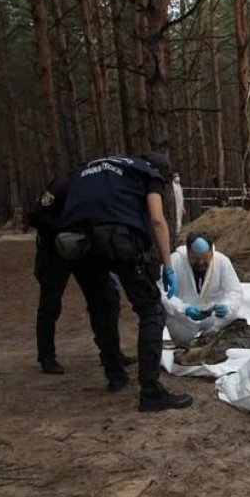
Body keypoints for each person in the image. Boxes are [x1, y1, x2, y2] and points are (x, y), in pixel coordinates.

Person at [60, 153, 193, 412]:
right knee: (151, 311)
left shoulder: (86, 168)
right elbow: (156, 218)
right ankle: (151, 392)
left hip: (76, 244)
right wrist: (168, 265)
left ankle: (114, 373)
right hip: (119, 240)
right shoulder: (147, 172)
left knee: (102, 305)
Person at [28, 173, 129, 375]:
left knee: (105, 299)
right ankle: (46, 356)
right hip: (54, 252)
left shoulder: (104, 190)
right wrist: (66, 229)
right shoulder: (63, 185)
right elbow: (36, 215)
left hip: (85, 251)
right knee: (50, 304)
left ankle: (111, 352)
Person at [163, 232, 243, 347]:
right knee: (182, 337)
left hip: (213, 317)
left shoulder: (222, 261)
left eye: (205, 258)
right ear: (188, 252)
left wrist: (227, 306)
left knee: (236, 316)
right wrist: (184, 309)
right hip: (184, 319)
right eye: (195, 258)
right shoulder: (175, 261)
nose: (200, 262)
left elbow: (234, 291)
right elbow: (162, 293)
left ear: (211, 252)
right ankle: (185, 345)